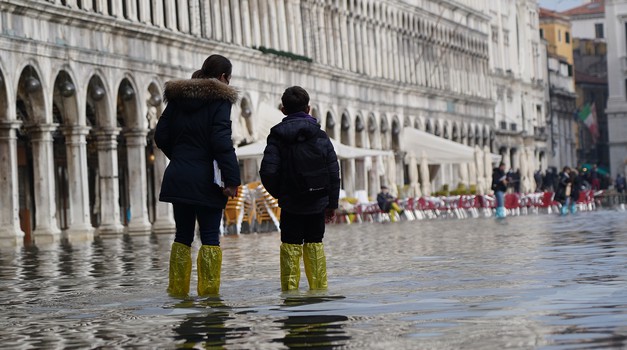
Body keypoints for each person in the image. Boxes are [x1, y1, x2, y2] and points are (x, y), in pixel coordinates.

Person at [154, 54, 240, 298]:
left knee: (182, 236)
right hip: (206, 180)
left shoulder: (178, 98)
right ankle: (210, 297)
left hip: (179, 175)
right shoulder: (220, 100)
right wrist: (232, 179)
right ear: (223, 77)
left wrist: (181, 158)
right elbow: (221, 141)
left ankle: (178, 293)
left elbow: (161, 136)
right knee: (210, 236)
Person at [259, 86, 341, 292]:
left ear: (283, 110)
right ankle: (319, 293)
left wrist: (283, 193)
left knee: (290, 246)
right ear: (309, 109)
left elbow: (267, 172)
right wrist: (331, 204)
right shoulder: (321, 136)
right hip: (317, 201)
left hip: (291, 204)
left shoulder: (277, 136)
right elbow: (333, 172)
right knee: (315, 244)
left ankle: (290, 294)